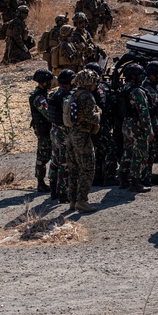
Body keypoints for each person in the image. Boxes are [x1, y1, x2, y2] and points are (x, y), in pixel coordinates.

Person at [64, 69, 102, 213]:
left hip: (72, 135)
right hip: (83, 136)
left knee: (74, 168)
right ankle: (82, 201)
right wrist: (99, 114)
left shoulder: (74, 94)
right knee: (87, 168)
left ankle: (73, 200)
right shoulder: (86, 96)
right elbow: (91, 117)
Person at [117, 63, 154, 193]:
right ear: (133, 76)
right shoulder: (137, 91)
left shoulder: (124, 89)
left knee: (127, 152)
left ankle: (123, 179)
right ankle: (135, 181)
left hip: (126, 124)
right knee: (140, 154)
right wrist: (149, 131)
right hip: (137, 126)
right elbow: (144, 113)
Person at [47, 69, 76, 202]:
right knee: (64, 163)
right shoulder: (67, 96)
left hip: (54, 130)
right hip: (63, 132)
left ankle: (53, 189)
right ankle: (63, 193)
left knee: (54, 161)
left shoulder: (53, 94)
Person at [29, 69, 54, 193]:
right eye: (49, 81)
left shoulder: (43, 94)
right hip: (43, 130)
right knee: (43, 156)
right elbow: (47, 113)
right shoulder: (39, 97)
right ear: (44, 82)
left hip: (46, 129)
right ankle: (40, 182)